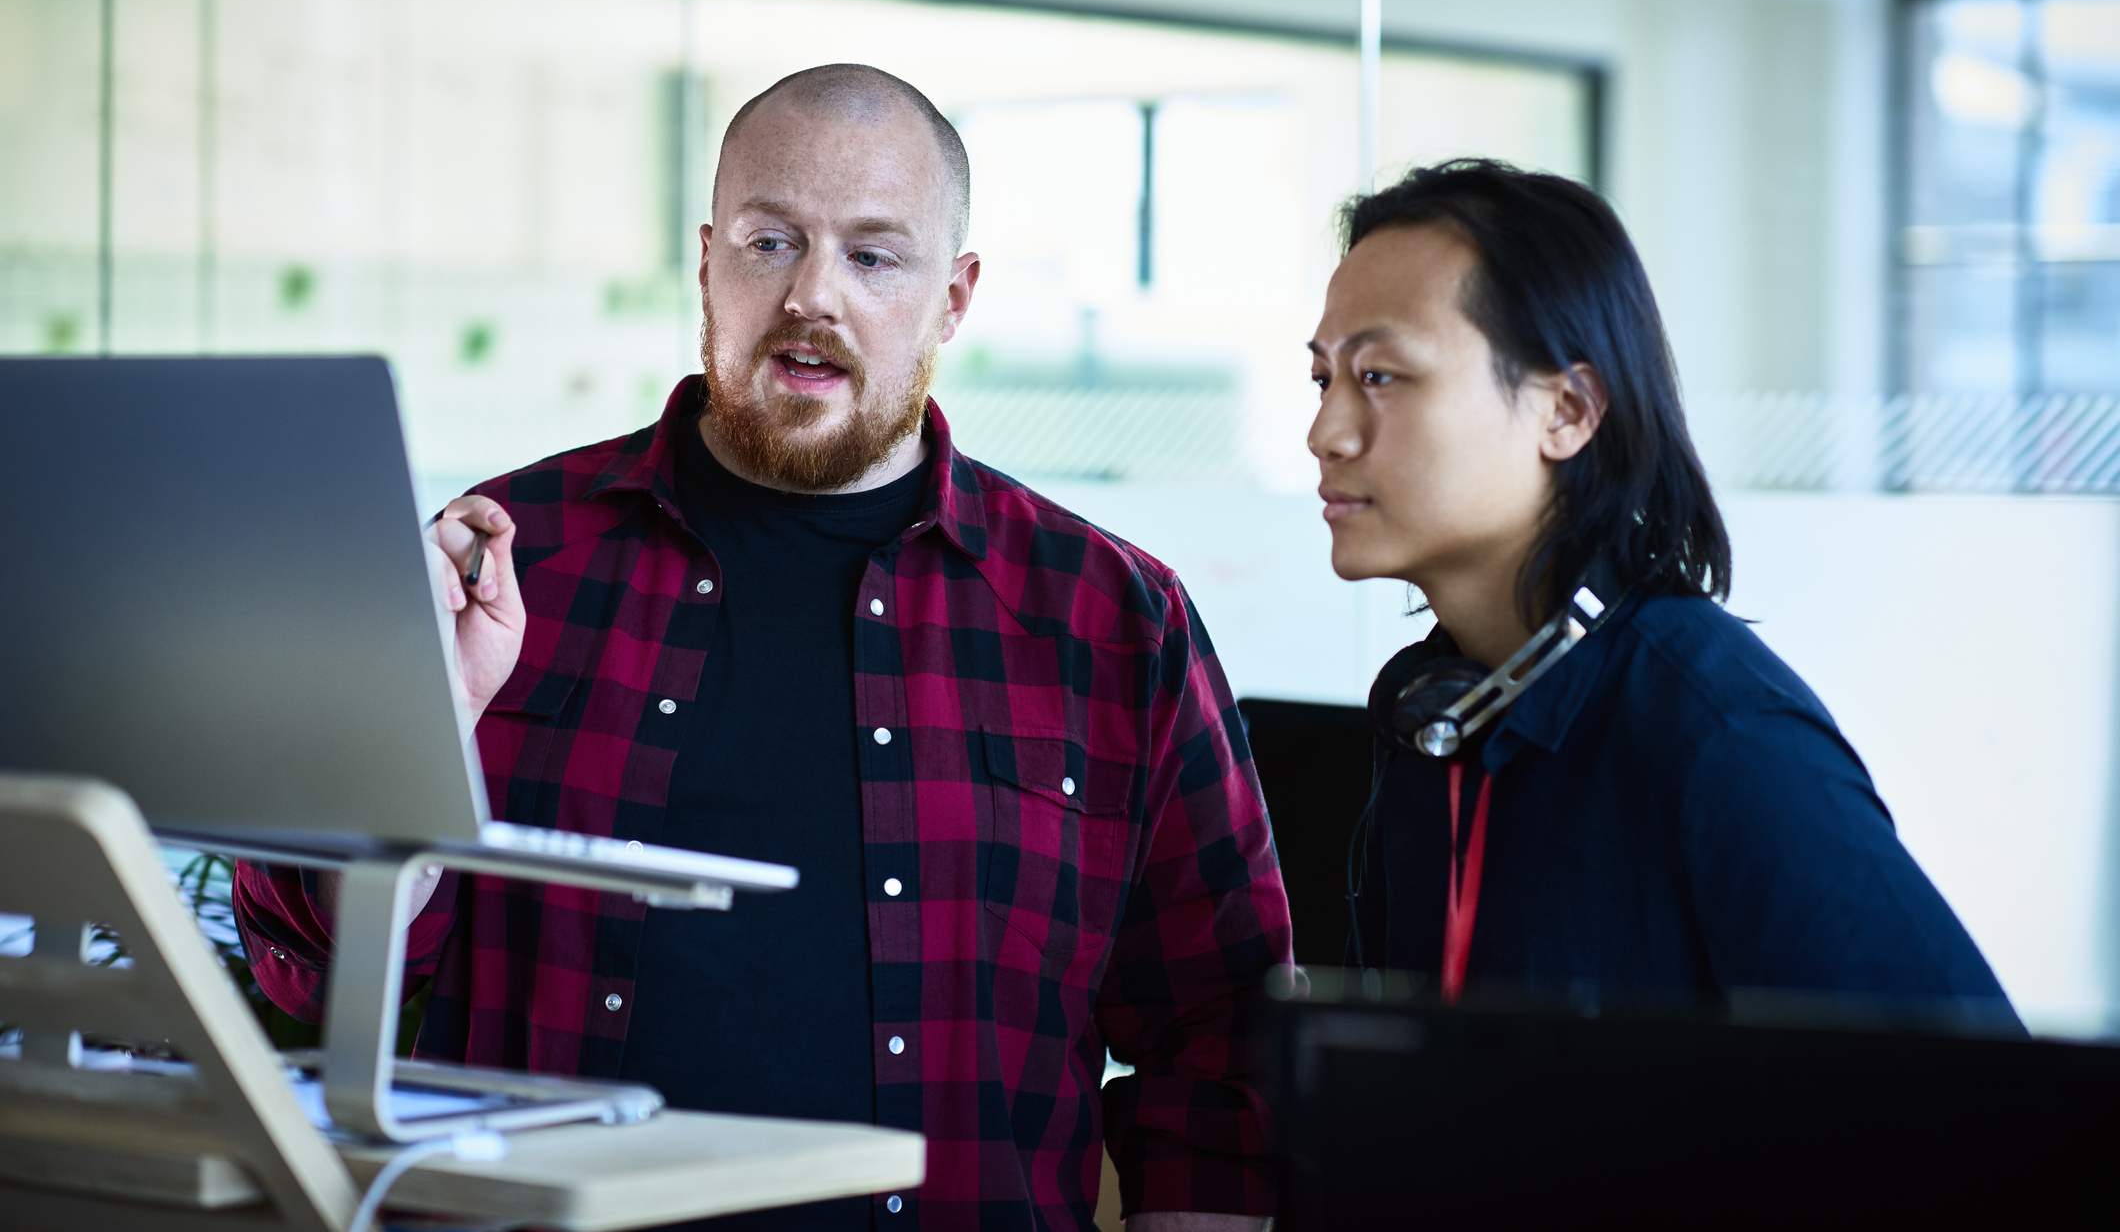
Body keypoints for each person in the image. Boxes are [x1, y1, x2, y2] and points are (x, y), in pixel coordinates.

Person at [236, 64, 1288, 1231]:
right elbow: (306, 967)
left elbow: (1220, 1045)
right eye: (769, 240)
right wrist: (407, 734)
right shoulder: (499, 564)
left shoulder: (1110, 617)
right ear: (705, 264)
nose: (811, 295)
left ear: (953, 297)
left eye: (874, 256)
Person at [1312, 158, 2017, 1026]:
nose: (1326, 431)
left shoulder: (1721, 736)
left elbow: (1988, 1098)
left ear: (1567, 411)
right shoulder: (1440, 717)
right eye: (1325, 379)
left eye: (1380, 375)